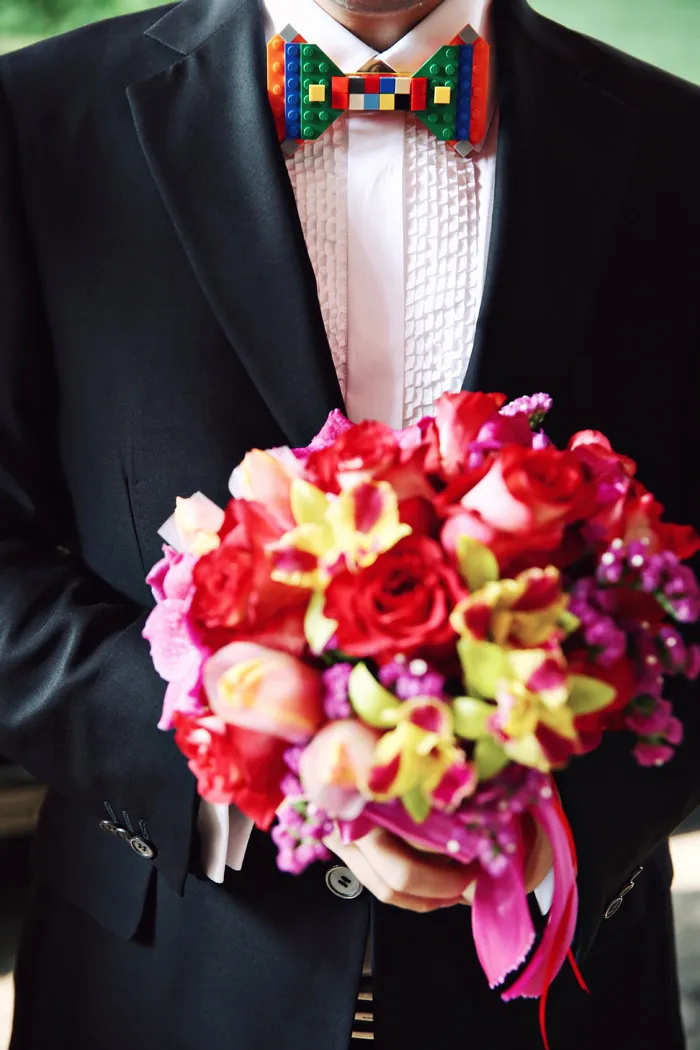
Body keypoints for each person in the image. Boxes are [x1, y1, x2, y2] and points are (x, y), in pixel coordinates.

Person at [0, 0, 698, 1045]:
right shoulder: (35, 122)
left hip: (562, 996)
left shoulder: (672, 144)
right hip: (157, 981)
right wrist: (242, 755)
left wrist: (558, 827)